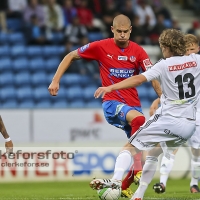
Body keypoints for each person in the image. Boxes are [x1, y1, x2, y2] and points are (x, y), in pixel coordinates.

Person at [48, 14, 161, 198]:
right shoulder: (101, 46)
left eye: (126, 32)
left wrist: (162, 98)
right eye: (119, 32)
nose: (123, 35)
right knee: (140, 121)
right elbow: (71, 55)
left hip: (133, 105)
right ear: (112, 30)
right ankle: (134, 172)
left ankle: (122, 185)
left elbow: (153, 76)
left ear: (131, 30)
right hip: (112, 103)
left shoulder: (139, 51)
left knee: (137, 149)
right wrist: (55, 81)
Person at [89, 28, 200, 200]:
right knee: (154, 154)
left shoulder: (164, 64)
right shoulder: (196, 60)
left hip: (169, 120)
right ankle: (138, 196)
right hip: (189, 126)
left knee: (129, 148)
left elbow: (139, 79)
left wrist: (111, 87)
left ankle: (115, 181)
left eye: (162, 47)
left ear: (166, 47)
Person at [150, 33, 200, 194]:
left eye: (193, 50)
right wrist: (158, 100)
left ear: (198, 49)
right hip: (179, 115)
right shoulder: (183, 66)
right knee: (170, 149)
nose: (190, 53)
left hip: (196, 115)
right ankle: (162, 182)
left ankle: (194, 183)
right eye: (188, 50)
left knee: (196, 151)